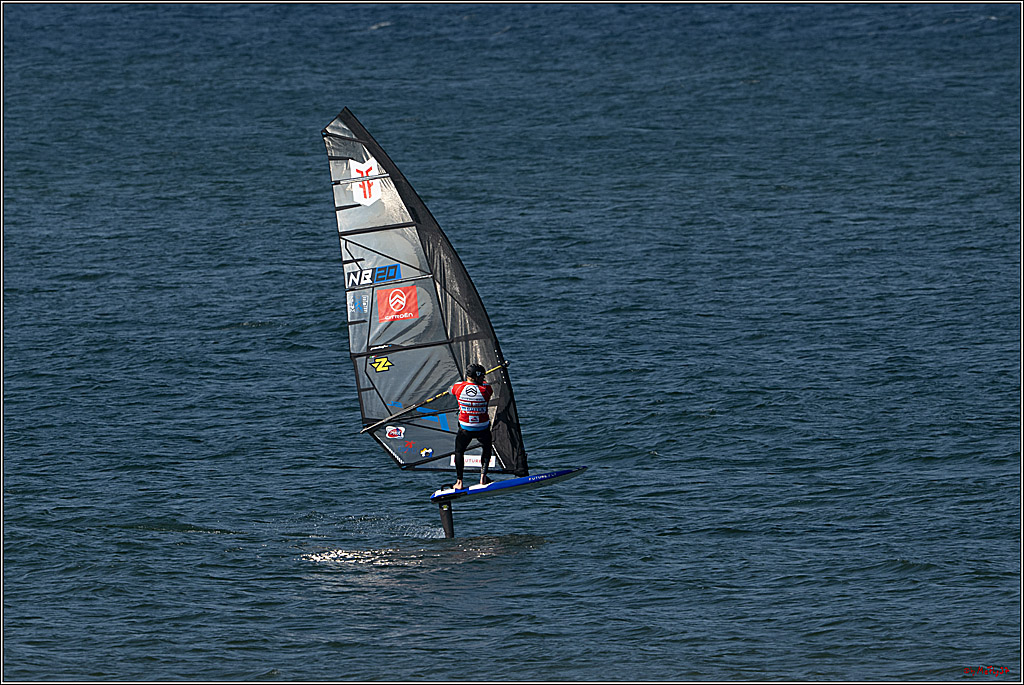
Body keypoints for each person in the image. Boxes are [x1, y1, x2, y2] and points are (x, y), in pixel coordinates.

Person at [450, 363, 494, 490]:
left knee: (459, 451)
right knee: (487, 447)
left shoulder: (458, 387)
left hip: (465, 429)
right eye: (482, 376)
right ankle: (483, 477)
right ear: (476, 377)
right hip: (482, 428)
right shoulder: (487, 389)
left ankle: (459, 482)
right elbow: (484, 384)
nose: (483, 379)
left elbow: (450, 390)